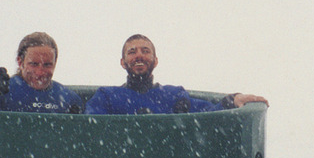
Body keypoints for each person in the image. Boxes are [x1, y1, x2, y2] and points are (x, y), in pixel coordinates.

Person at [84, 34, 268, 114]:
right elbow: (90, 126)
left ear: (155, 61)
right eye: (132, 52)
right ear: (123, 62)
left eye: (145, 51)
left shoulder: (174, 96)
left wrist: (232, 100)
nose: (139, 55)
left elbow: (210, 113)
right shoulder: (107, 96)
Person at [0, 32, 83, 113]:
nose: (40, 73)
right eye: (34, 64)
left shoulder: (68, 99)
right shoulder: (1, 94)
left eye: (47, 65)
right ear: (20, 62)